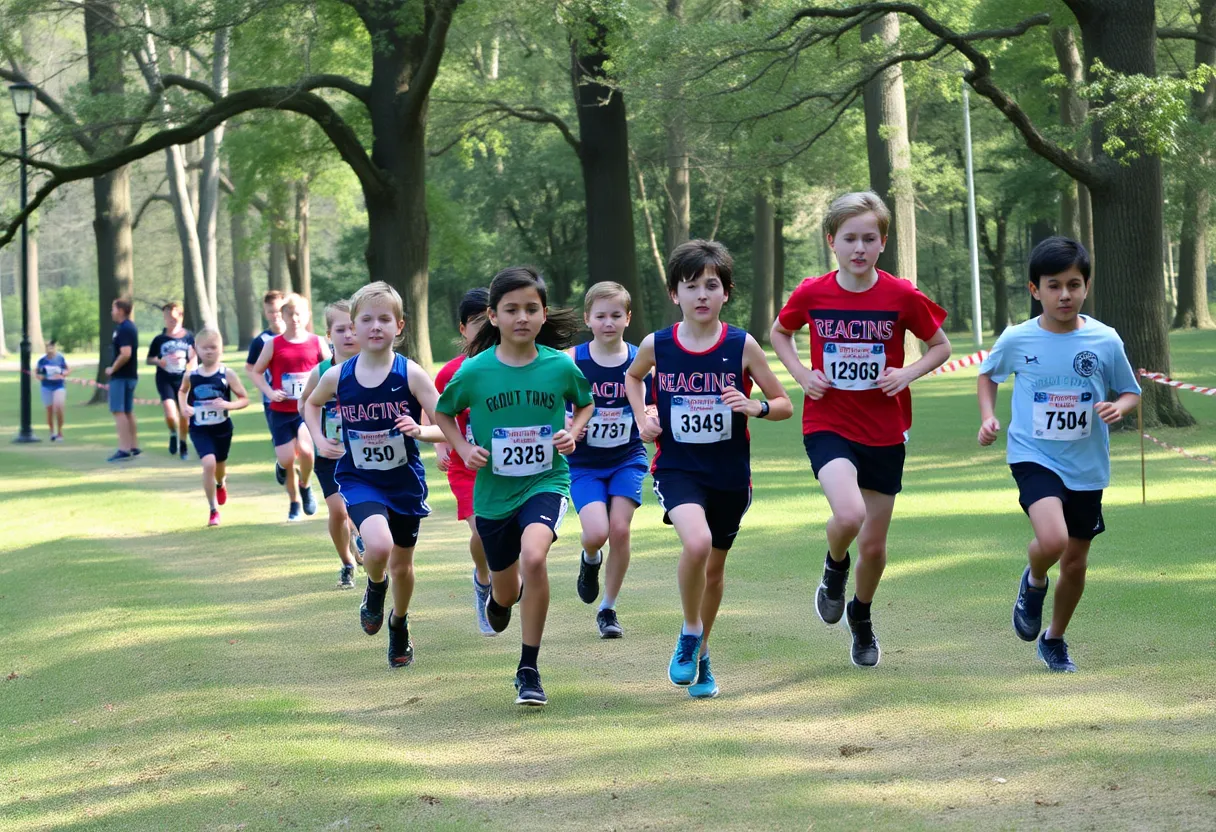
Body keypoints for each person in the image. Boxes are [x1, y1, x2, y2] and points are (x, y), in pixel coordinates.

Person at [770, 191, 950, 669]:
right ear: (832, 240)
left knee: (874, 545)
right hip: (827, 420)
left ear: (883, 242)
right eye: (849, 238)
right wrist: (802, 375)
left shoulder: (901, 295)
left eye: (869, 238)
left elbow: (940, 346)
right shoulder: (812, 292)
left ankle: (861, 614)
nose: (859, 248)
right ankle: (833, 570)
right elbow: (779, 332)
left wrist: (906, 373)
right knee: (848, 516)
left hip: (885, 429)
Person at [626, 241, 792, 700]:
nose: (702, 294)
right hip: (677, 467)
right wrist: (644, 418)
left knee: (714, 572)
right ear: (675, 293)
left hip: (729, 475)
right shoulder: (656, 345)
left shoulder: (742, 345)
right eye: (691, 285)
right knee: (695, 542)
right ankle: (690, 631)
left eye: (711, 285)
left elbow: (784, 404)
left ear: (726, 293)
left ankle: (702, 655)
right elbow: (634, 377)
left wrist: (753, 405)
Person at [977, 236, 1141, 673]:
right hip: (1033, 454)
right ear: (1035, 290)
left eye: (1073, 284)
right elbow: (988, 374)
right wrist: (988, 416)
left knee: (1075, 561)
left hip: (1086, 465)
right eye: (1053, 285)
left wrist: (1117, 407)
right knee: (1053, 541)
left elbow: (1131, 391)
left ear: (1086, 286)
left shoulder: (1105, 340)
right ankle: (1032, 581)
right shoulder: (1018, 337)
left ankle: (1054, 638)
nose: (1064, 294)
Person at [434, 267, 594, 707]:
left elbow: (584, 404)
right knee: (506, 586)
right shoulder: (474, 371)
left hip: (546, 480)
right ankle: (499, 601)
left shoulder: (560, 366)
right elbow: (444, 413)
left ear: (543, 315)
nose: (522, 317)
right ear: (493, 316)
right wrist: (462, 447)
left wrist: (572, 432)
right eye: (511, 309)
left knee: (535, 555)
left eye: (531, 308)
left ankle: (529, 669)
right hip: (493, 493)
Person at [305, 282, 445, 669]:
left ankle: (398, 623)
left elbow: (442, 420)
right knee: (378, 548)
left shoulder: (411, 374)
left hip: (404, 482)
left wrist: (428, 436)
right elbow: (311, 406)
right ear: (352, 326)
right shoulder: (337, 376)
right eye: (366, 319)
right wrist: (319, 439)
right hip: (359, 477)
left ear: (399, 326)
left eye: (385, 319)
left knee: (403, 566)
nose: (375, 326)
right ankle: (374, 586)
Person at [566, 281, 650, 639]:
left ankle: (608, 608)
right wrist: (566, 423)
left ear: (628, 318)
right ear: (588, 319)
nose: (608, 323)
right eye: (600, 316)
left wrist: (650, 415)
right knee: (596, 533)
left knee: (620, 529)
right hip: (583, 463)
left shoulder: (639, 360)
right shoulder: (571, 360)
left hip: (627, 457)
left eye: (616, 315)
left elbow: (655, 399)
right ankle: (589, 559)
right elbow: (550, 401)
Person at [433, 288, 496, 635]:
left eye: (488, 321)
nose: (483, 329)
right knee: (482, 530)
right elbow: (440, 415)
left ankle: (498, 577)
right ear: (462, 329)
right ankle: (483, 581)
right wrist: (441, 446)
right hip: (467, 468)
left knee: (505, 537)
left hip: (507, 468)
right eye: (475, 322)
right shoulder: (449, 374)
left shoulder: (512, 364)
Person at [299, 301, 364, 589]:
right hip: (331, 453)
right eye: (341, 329)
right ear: (328, 335)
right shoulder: (322, 371)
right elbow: (305, 403)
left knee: (362, 509)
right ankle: (347, 563)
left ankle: (363, 540)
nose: (349, 335)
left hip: (367, 453)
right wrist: (319, 439)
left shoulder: (376, 367)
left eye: (353, 328)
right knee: (339, 511)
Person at [252, 293, 329, 521]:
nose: (294, 318)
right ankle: (286, 474)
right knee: (287, 459)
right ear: (282, 316)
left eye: (299, 314)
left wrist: (322, 393)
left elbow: (330, 369)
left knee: (306, 451)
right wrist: (269, 392)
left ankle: (305, 485)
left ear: (306, 316)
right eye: (289, 314)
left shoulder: (316, 342)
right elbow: (256, 372)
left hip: (306, 410)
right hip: (281, 411)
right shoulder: (273, 344)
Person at [179, 329, 250, 526]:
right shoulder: (191, 375)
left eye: (213, 347)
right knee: (208, 463)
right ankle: (213, 510)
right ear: (196, 350)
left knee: (219, 466)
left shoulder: (226, 374)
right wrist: (184, 407)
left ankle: (221, 483)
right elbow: (182, 391)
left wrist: (228, 405)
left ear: (221, 349)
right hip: (200, 428)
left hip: (222, 428)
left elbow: (244, 399)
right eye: (205, 348)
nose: (209, 352)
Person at [245, 290, 289, 485]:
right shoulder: (261, 341)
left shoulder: (302, 338)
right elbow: (250, 368)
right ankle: (294, 500)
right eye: (271, 311)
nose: (276, 315)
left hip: (300, 401)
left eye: (279, 310)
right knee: (284, 449)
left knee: (302, 449)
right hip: (273, 402)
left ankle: (304, 486)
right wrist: (266, 390)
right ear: (265, 313)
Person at [146, 301, 196, 460]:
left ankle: (183, 444)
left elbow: (194, 357)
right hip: (164, 378)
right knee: (169, 412)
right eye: (167, 318)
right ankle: (173, 433)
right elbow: (149, 359)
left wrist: (191, 368)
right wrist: (158, 362)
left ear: (180, 316)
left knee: (184, 414)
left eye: (173, 318)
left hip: (183, 379)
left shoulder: (188, 337)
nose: (170, 321)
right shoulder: (159, 339)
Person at [106, 298, 141, 462]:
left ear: (120, 310)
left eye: (113, 309)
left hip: (121, 377)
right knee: (127, 411)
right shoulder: (126, 327)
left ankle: (124, 448)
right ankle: (133, 446)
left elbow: (126, 353)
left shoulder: (125, 328)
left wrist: (112, 368)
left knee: (118, 411)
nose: (111, 312)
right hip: (129, 376)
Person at [36, 339, 69, 441]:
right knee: (50, 410)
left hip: (59, 386)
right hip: (46, 387)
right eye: (48, 347)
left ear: (55, 348)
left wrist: (62, 374)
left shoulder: (60, 358)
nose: (50, 349)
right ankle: (52, 432)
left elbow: (67, 370)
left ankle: (60, 432)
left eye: (52, 347)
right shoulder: (42, 361)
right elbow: (37, 373)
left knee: (59, 407)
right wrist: (41, 377)